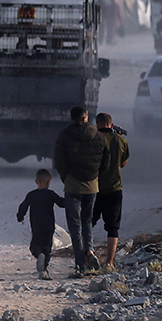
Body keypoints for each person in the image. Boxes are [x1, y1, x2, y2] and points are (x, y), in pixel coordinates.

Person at [52, 105, 108, 276]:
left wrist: (66, 178)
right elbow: (106, 160)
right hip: (92, 185)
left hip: (72, 184)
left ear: (71, 118)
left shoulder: (64, 135)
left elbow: (59, 161)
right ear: (86, 117)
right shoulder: (98, 136)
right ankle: (89, 251)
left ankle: (80, 264)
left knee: (74, 226)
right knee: (87, 221)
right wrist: (96, 176)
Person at [91, 113, 129, 272]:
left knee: (88, 223)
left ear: (97, 124)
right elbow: (123, 163)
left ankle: (87, 255)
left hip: (93, 189)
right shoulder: (121, 140)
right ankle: (109, 262)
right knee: (113, 227)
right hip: (114, 189)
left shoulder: (93, 140)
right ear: (111, 125)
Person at [17, 168, 65, 279]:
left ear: (36, 182)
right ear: (49, 182)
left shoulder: (31, 195)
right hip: (49, 226)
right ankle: (44, 269)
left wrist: (20, 216)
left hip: (37, 226)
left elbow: (23, 206)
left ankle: (39, 255)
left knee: (35, 246)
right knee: (47, 247)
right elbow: (62, 203)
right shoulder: (51, 194)